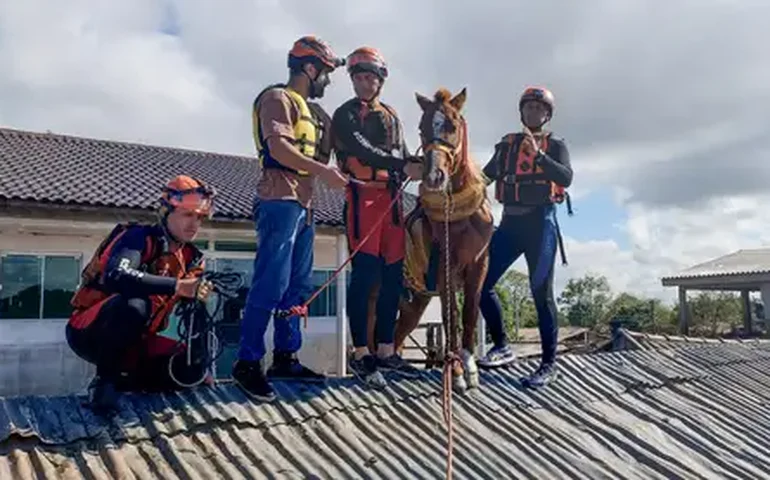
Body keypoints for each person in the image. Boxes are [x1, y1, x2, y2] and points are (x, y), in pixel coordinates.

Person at [233, 35, 349, 401]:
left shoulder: (312, 112)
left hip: (305, 205)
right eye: (326, 73)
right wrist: (323, 172)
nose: (327, 82)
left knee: (296, 286)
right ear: (310, 68)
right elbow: (279, 148)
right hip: (279, 200)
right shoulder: (277, 99)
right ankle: (247, 363)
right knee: (271, 282)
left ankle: (286, 356)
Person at [66, 175, 217, 412]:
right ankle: (105, 385)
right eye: (187, 215)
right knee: (135, 304)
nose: (194, 224)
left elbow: (195, 315)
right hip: (90, 329)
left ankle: (128, 382)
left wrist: (201, 365)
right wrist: (177, 286)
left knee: (188, 371)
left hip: (139, 340)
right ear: (166, 212)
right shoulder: (138, 237)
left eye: (199, 217)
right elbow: (118, 274)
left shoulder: (193, 258)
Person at [331, 46, 423, 387]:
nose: (366, 83)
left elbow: (402, 152)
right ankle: (360, 353)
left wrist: (420, 165)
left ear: (381, 81)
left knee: (392, 279)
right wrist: (402, 165)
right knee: (365, 277)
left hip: (393, 200)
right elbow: (361, 150)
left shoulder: (392, 115)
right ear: (353, 80)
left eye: (371, 77)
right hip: (363, 198)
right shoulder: (346, 114)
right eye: (360, 77)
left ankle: (386, 351)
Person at [477, 86, 573, 388]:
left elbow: (566, 177)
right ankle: (502, 346)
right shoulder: (506, 146)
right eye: (528, 108)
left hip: (540, 224)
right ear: (522, 112)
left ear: (547, 115)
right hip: (510, 224)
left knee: (541, 295)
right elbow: (483, 177)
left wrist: (539, 155)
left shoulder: (556, 144)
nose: (533, 112)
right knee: (481, 284)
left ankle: (549, 364)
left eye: (539, 108)